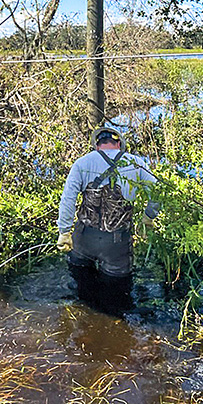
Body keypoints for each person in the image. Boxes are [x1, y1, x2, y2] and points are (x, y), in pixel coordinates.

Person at [57, 126, 159, 314]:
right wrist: (148, 218)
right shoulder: (136, 163)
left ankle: (87, 318)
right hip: (117, 244)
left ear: (97, 145)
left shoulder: (82, 163)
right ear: (119, 144)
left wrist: (64, 231)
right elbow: (157, 192)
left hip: (84, 238)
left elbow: (68, 199)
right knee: (117, 297)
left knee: (82, 287)